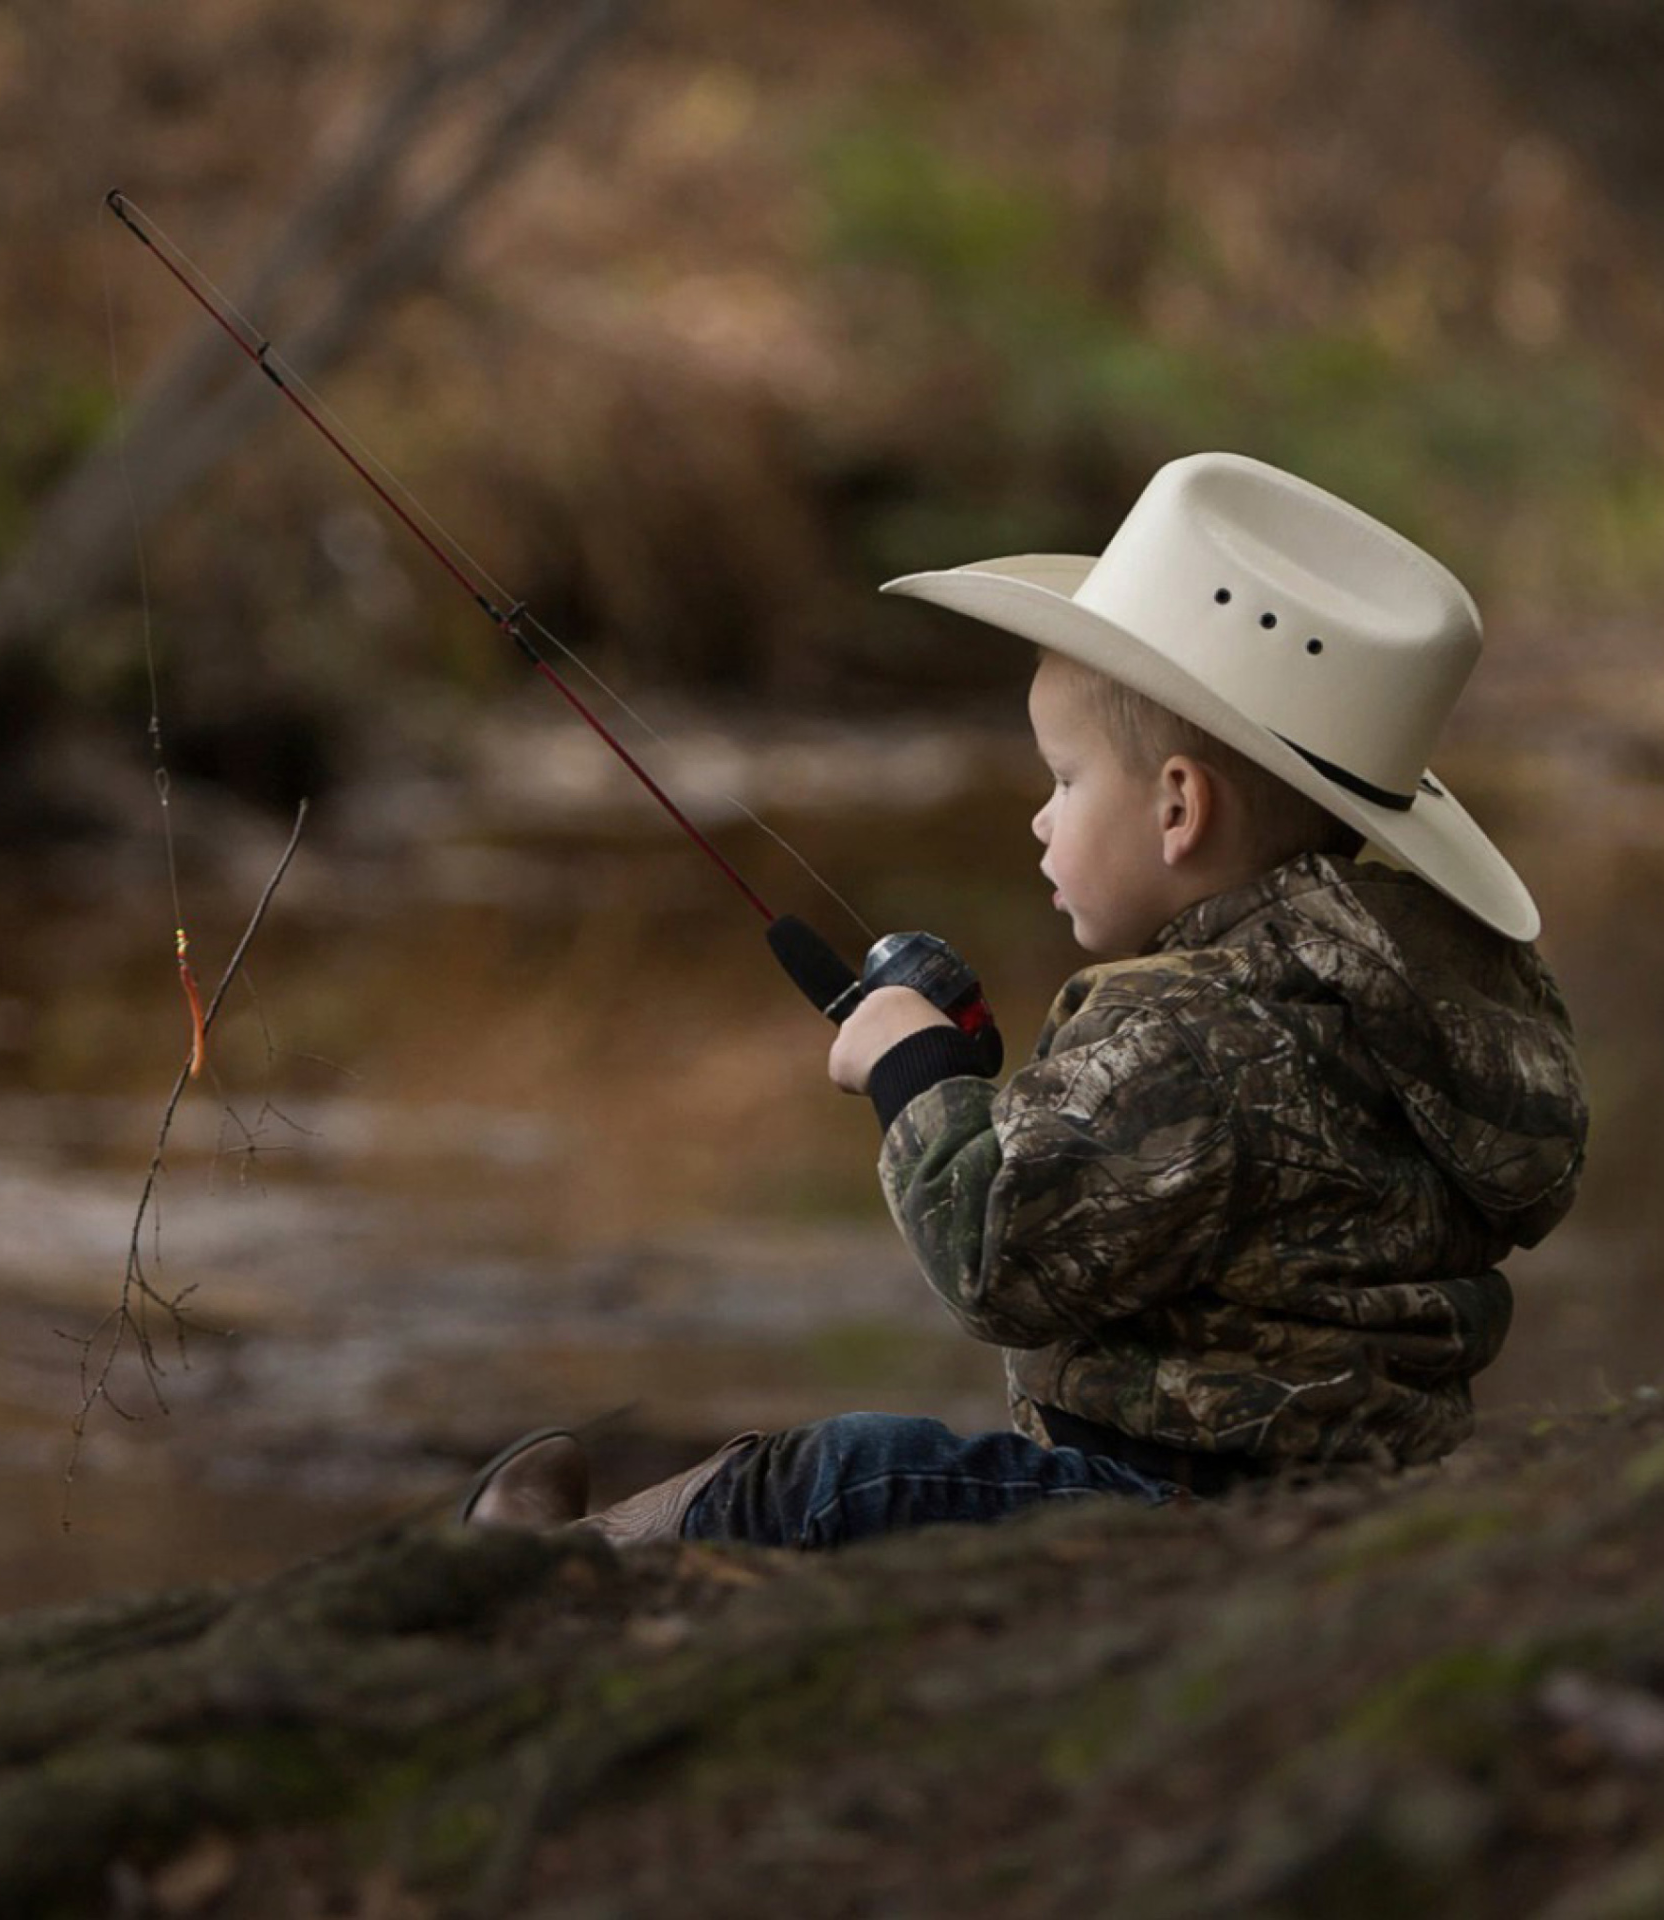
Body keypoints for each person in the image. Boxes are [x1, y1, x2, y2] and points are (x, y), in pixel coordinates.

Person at [462, 451, 1588, 1549]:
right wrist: (1002, 1099)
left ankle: (546, 1578)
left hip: (1183, 1512)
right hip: (1350, 1499)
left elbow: (996, 1259)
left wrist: (917, 1075)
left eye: (1062, 779)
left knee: (841, 1476)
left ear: (1179, 810)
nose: (1042, 820)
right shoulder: (1398, 998)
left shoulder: (1189, 1035)